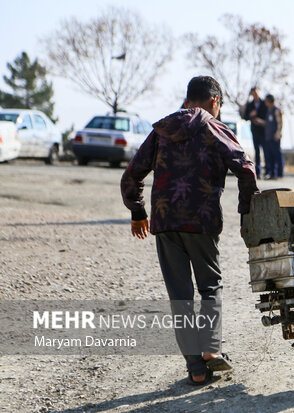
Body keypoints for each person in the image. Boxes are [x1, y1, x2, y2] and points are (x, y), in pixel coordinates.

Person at [121, 76, 258, 385]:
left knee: (180, 296)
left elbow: (133, 173)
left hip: (166, 222)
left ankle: (195, 370)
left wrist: (138, 211)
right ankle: (211, 348)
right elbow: (245, 168)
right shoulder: (215, 127)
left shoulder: (162, 130)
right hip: (202, 221)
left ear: (187, 100)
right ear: (214, 101)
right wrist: (247, 211)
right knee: (210, 286)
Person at [241, 87, 268, 178]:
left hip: (264, 130)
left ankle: (268, 171)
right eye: (253, 93)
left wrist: (261, 120)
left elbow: (268, 115)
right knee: (257, 151)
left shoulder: (264, 103)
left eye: (256, 93)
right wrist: (250, 115)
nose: (255, 95)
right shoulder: (250, 104)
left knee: (265, 150)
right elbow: (245, 117)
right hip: (255, 130)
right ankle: (258, 172)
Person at [263, 94, 284, 179]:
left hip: (274, 137)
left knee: (277, 155)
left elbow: (280, 123)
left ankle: (279, 173)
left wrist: (277, 134)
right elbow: (268, 123)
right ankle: (271, 173)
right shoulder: (268, 111)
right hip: (268, 137)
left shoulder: (276, 110)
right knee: (270, 156)